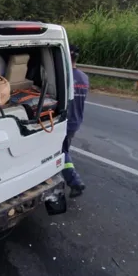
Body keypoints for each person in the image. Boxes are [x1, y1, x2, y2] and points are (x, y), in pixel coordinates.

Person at [63, 44, 89, 197]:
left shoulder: (65, 77)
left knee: (61, 152)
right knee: (65, 149)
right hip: (76, 122)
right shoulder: (84, 77)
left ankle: (75, 182)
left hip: (65, 122)